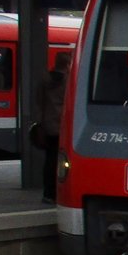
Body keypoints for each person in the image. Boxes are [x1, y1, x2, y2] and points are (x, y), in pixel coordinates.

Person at [36, 50, 71, 204]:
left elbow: (39, 102)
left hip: (48, 125)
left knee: (49, 159)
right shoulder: (68, 81)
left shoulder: (44, 80)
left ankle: (48, 193)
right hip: (63, 125)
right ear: (67, 64)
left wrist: (41, 123)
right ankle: (59, 192)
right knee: (63, 161)